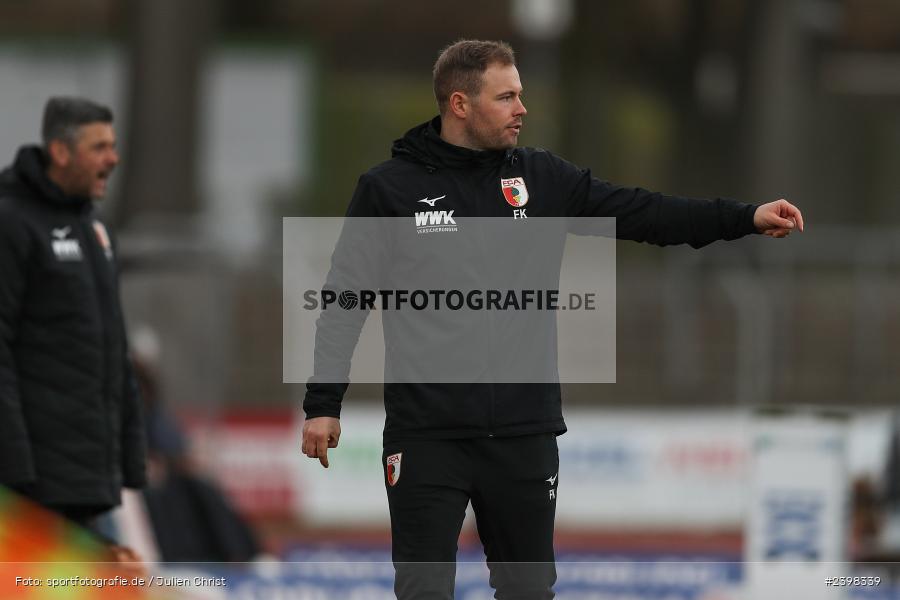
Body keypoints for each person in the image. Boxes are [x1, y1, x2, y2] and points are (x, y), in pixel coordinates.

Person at [300, 40, 804, 599]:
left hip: (522, 433)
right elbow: (346, 295)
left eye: (521, 94)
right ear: (460, 104)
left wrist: (743, 218)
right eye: (507, 96)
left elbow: (646, 212)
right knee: (422, 590)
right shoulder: (389, 189)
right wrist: (323, 403)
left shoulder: (542, 179)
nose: (522, 108)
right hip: (426, 434)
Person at [0, 97, 146, 537]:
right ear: (60, 152)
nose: (113, 159)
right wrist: (14, 465)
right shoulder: (10, 222)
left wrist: (129, 458)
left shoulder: (96, 229)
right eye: (99, 147)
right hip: (33, 482)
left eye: (114, 145)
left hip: (87, 479)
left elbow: (111, 350)